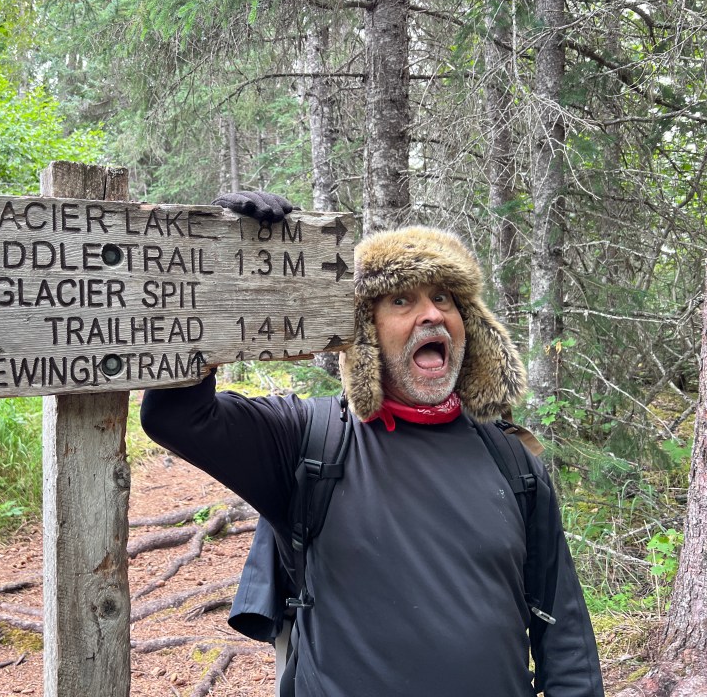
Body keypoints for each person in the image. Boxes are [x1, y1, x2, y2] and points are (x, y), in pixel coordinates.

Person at [141, 194, 603, 696]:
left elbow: (564, 630)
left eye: (444, 298)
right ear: (366, 331)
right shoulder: (307, 440)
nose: (431, 314)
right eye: (401, 300)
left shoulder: (511, 459)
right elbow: (176, 417)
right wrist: (224, 263)